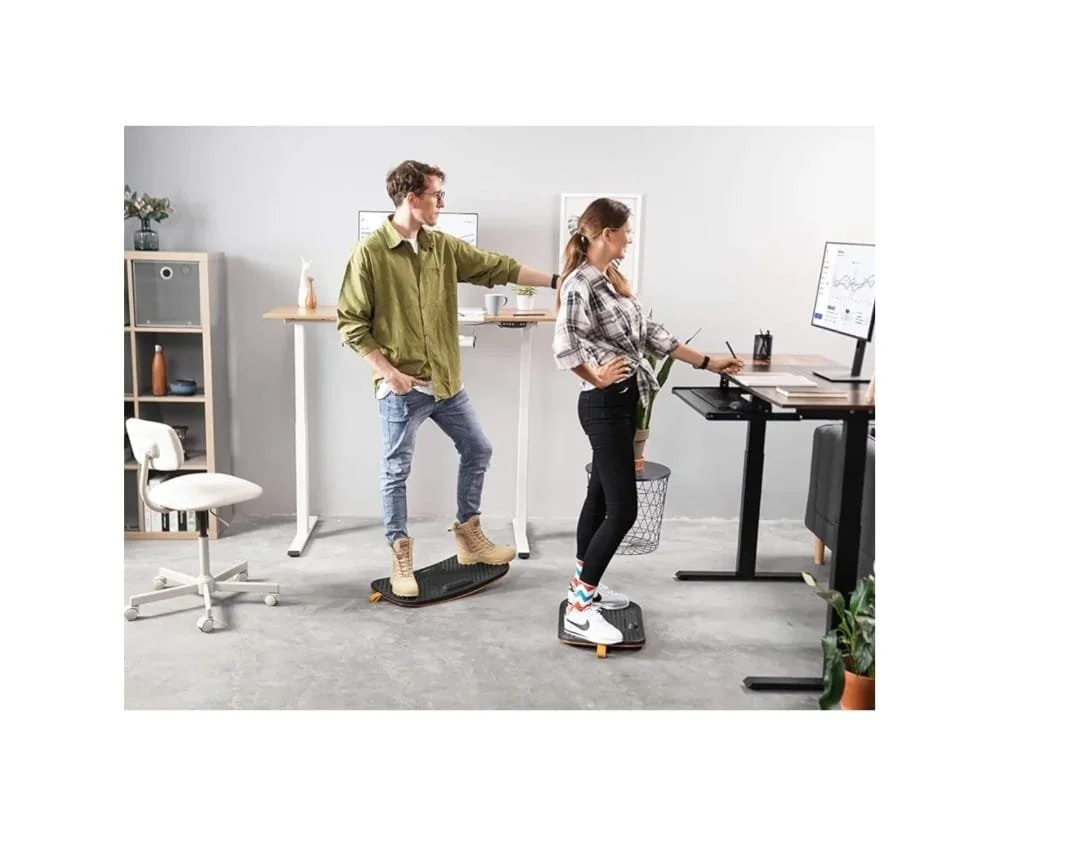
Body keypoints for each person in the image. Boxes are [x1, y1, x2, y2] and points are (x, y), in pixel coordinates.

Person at [337, 159, 560, 598]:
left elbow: (497, 267)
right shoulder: (369, 254)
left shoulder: (442, 247)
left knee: (478, 448)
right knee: (396, 471)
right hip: (403, 387)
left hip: (446, 383)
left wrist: (557, 279)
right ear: (410, 197)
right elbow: (350, 322)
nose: (442, 201)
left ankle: (469, 538)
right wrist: (390, 374)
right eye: (436, 194)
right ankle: (400, 553)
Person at [552, 198, 743, 645]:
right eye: (625, 232)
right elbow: (564, 344)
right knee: (623, 510)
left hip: (619, 405)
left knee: (599, 501)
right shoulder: (580, 284)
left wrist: (709, 362)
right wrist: (595, 375)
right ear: (605, 234)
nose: (629, 238)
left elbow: (654, 335)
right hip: (604, 406)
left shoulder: (609, 280)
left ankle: (583, 590)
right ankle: (580, 610)